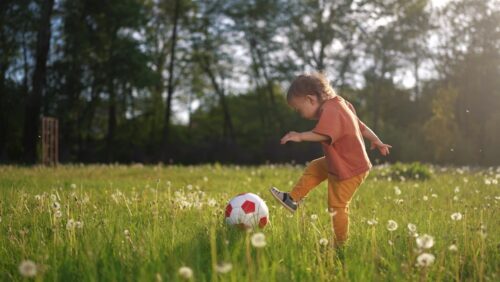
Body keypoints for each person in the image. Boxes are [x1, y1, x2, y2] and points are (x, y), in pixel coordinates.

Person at [270, 72, 391, 248]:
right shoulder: (341, 103)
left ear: (310, 99)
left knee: (338, 206)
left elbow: (321, 134)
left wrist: (300, 136)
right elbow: (361, 127)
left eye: (299, 109)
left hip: (349, 168)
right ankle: (292, 199)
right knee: (316, 167)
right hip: (343, 161)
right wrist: (377, 140)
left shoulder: (331, 110)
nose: (300, 114)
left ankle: (340, 244)